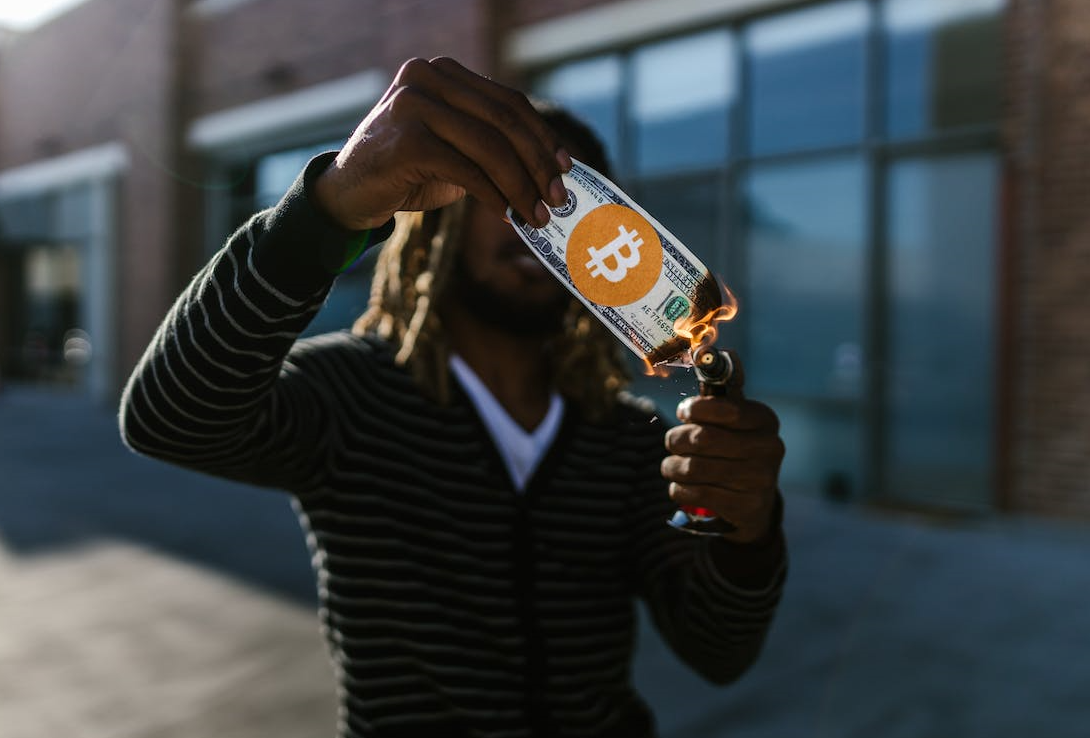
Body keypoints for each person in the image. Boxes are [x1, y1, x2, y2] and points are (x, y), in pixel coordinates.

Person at [120, 57, 787, 738]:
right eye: (511, 191)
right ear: (438, 218)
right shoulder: (350, 394)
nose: (547, 219)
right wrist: (328, 208)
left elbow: (718, 651)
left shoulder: (626, 437)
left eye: (576, 206)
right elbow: (169, 419)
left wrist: (747, 531)